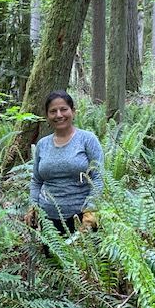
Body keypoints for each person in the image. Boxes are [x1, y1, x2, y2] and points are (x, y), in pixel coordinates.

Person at [25, 90, 104, 234]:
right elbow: (36, 181)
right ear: (47, 116)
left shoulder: (87, 139)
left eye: (64, 109)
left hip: (82, 218)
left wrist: (91, 211)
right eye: (53, 111)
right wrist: (33, 207)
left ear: (73, 111)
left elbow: (98, 178)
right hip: (48, 220)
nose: (59, 115)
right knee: (50, 257)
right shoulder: (42, 144)